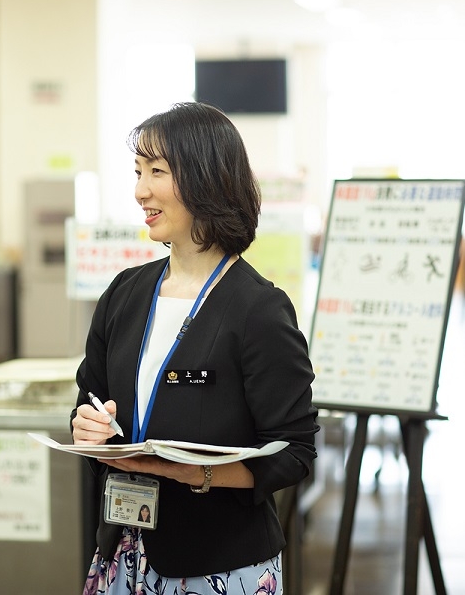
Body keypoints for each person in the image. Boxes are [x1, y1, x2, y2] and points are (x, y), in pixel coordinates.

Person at [71, 102, 318, 595]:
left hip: (218, 567)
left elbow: (295, 452)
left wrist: (193, 472)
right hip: (122, 552)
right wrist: (87, 426)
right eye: (138, 171)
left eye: (157, 171)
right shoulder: (124, 293)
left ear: (206, 178)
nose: (141, 190)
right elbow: (87, 402)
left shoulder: (258, 309)